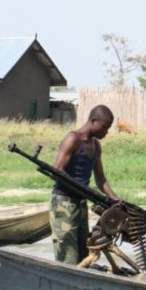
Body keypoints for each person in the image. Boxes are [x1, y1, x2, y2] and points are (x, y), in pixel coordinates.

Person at [50, 104, 121, 264]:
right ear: (93, 121)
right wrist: (80, 187)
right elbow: (57, 170)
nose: (106, 132)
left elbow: (100, 179)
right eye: (104, 127)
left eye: (108, 128)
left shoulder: (96, 145)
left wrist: (115, 200)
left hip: (81, 203)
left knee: (84, 252)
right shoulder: (73, 139)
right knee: (68, 254)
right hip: (64, 203)